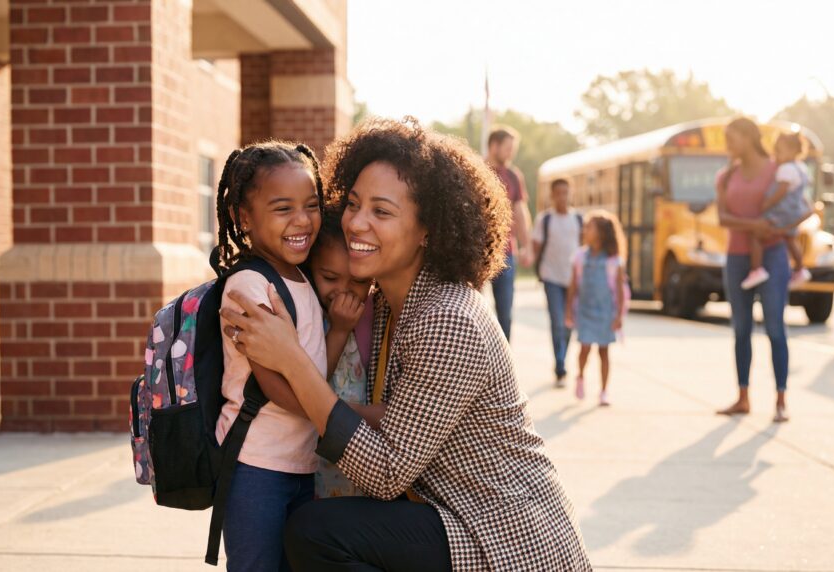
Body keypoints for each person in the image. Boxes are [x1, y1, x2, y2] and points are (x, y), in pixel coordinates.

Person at [221, 117, 592, 571]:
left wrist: (290, 359)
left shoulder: (448, 319)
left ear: (426, 230)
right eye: (353, 204)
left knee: (316, 533)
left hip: (502, 538)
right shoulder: (389, 303)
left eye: (382, 212)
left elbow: (385, 471)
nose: (356, 223)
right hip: (452, 515)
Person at [211, 141, 326, 571]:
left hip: (299, 463)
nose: (302, 220)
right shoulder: (248, 285)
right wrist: (339, 416)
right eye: (283, 209)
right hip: (254, 466)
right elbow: (273, 384)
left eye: (311, 205)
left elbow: (313, 365)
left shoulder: (301, 277)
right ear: (245, 218)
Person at [715, 117, 792, 423]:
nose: (728, 145)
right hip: (737, 257)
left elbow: (793, 203)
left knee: (775, 327)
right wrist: (754, 225)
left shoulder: (777, 170)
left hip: (772, 254)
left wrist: (771, 229)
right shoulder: (725, 176)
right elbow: (723, 217)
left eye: (731, 138)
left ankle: (781, 399)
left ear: (749, 137)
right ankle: (743, 397)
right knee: (741, 329)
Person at [306, 206, 379, 498]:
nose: (343, 292)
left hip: (364, 455)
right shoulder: (308, 313)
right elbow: (311, 381)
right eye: (329, 277)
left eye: (358, 281)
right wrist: (337, 330)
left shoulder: (375, 313)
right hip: (318, 460)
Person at [566, 210, 629, 405]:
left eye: (589, 227)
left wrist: (618, 315)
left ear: (602, 232)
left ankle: (603, 391)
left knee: (604, 352)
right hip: (585, 311)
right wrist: (569, 309)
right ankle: (581, 376)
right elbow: (573, 286)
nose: (585, 231)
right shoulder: (579, 257)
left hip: (605, 313)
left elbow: (618, 290)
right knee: (584, 349)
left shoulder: (613, 261)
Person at [740, 132, 814, 290]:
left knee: (757, 235)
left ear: (793, 151)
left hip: (782, 212)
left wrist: (766, 204)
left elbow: (780, 192)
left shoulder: (785, 169)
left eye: (779, 151)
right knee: (790, 239)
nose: (776, 156)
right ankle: (800, 269)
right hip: (795, 212)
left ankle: (756, 269)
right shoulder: (801, 168)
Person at [532, 178, 583, 386]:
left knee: (568, 323)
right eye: (558, 193)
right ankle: (560, 366)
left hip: (572, 280)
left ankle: (562, 355)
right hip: (551, 276)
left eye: (566, 192)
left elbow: (584, 248)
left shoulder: (578, 220)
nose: (563, 197)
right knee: (556, 320)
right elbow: (536, 245)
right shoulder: (545, 220)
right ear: (552, 196)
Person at [486, 125, 533, 341]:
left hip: (505, 252)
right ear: (493, 145)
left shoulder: (514, 176)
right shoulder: (477, 170)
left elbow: (520, 213)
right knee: (473, 307)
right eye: (507, 148)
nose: (510, 153)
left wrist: (527, 246)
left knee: (505, 312)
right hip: (477, 252)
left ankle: (503, 364)